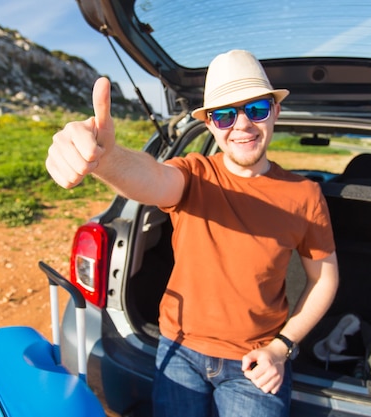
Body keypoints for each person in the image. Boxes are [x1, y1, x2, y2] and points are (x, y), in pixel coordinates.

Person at [46, 49, 339, 417]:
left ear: (276, 111)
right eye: (225, 114)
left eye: (257, 109)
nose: (242, 125)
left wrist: (281, 348)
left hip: (256, 360)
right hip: (178, 349)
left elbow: (324, 279)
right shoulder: (194, 173)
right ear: (211, 124)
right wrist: (106, 159)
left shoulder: (304, 194)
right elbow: (152, 178)